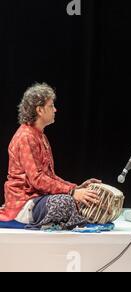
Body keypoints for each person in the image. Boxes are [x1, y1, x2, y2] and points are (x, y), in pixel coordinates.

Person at [0, 83, 100, 230]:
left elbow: (49, 176)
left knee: (81, 199)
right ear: (39, 110)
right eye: (51, 106)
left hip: (40, 200)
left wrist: (75, 188)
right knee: (65, 203)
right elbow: (37, 179)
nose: (55, 109)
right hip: (25, 204)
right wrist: (72, 193)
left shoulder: (41, 136)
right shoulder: (26, 136)